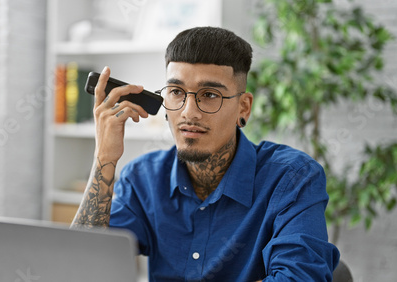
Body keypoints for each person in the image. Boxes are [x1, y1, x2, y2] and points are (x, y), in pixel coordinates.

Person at [71, 26, 340, 281]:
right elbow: (78, 266)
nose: (189, 111)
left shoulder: (292, 178)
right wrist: (104, 158)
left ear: (243, 108)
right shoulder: (143, 177)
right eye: (176, 92)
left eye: (209, 94)